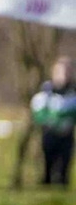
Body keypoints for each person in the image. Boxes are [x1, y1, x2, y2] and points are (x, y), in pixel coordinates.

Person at [31, 57, 76, 187]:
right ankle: (46, 191)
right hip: (49, 134)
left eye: (67, 72)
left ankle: (62, 194)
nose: (63, 75)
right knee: (48, 165)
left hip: (67, 135)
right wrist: (52, 120)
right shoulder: (45, 91)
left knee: (64, 167)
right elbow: (38, 112)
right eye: (60, 72)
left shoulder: (73, 92)